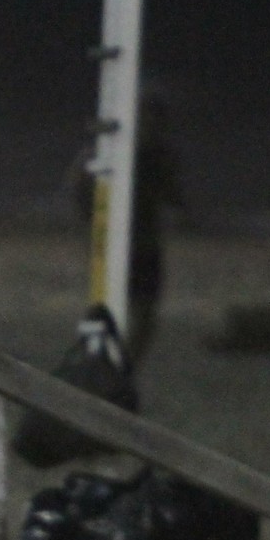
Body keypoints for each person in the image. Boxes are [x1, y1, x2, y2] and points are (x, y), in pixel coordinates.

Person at [70, 92, 185, 363]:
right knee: (110, 308)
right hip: (115, 244)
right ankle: (107, 363)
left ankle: (123, 365)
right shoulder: (107, 154)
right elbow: (81, 191)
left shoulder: (158, 156)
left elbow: (173, 197)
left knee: (142, 313)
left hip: (143, 245)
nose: (151, 127)